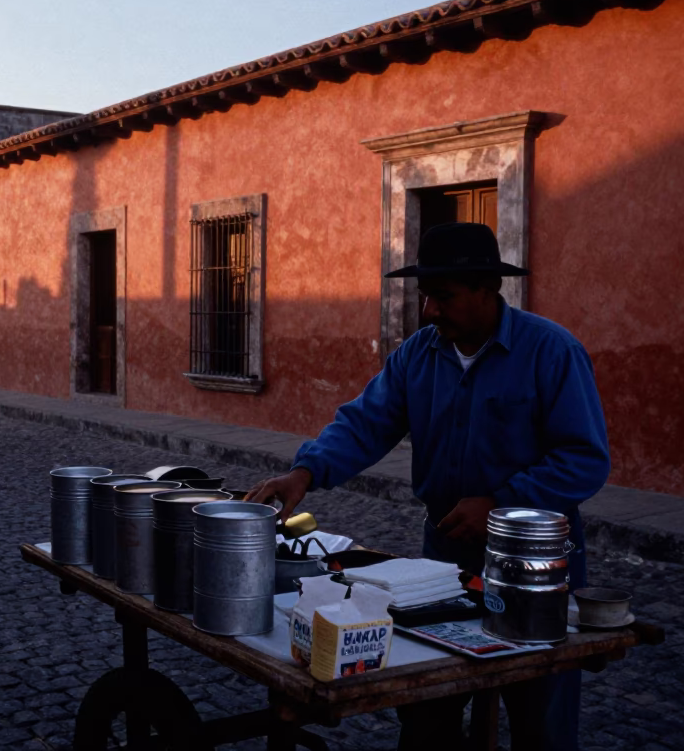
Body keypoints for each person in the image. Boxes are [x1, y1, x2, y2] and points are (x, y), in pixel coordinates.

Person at [247, 223, 609, 751]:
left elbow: (585, 460)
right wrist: (305, 471)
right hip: (443, 557)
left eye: (444, 297)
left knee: (540, 714)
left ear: (488, 291)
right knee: (427, 704)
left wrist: (502, 504)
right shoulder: (418, 354)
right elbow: (365, 423)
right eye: (426, 297)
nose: (429, 312)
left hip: (533, 562)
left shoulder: (551, 352)